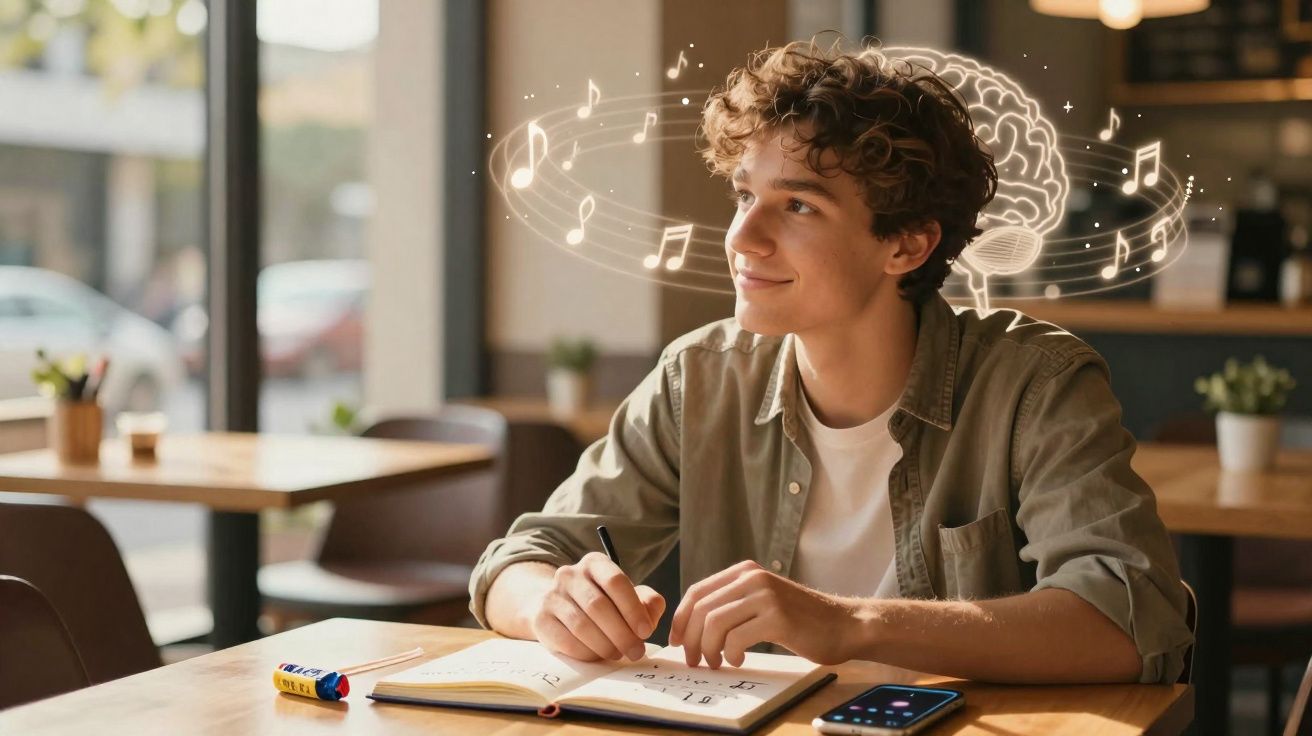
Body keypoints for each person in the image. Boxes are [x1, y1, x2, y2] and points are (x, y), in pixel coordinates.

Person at [469, 41, 1194, 685]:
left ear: (906, 245)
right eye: (745, 195)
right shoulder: (701, 377)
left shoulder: (1034, 385)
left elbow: (1130, 619)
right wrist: (552, 604)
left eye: (800, 207)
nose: (743, 239)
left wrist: (852, 625)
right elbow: (517, 562)